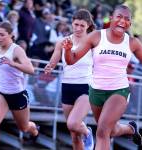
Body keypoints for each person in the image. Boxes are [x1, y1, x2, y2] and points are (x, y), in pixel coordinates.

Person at [63, 5, 142, 150]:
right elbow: (71, 60)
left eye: (127, 19)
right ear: (111, 18)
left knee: (102, 131)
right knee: (110, 130)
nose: (122, 21)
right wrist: (68, 50)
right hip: (96, 92)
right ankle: (130, 129)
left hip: (119, 91)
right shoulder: (96, 36)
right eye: (119, 17)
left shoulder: (132, 43)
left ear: (130, 23)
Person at [44, 9, 95, 150]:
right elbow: (54, 58)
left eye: (82, 26)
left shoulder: (93, 42)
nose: (78, 28)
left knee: (73, 124)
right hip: (67, 87)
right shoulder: (63, 41)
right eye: (76, 24)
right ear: (72, 23)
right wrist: (50, 66)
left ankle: (87, 132)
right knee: (73, 134)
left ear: (88, 25)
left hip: (86, 87)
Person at [0, 21, 39, 150]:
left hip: (17, 94)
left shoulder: (17, 50)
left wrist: (13, 64)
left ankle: (34, 130)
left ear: (11, 35)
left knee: (24, 127)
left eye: (2, 35)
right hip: (0, 92)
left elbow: (31, 70)